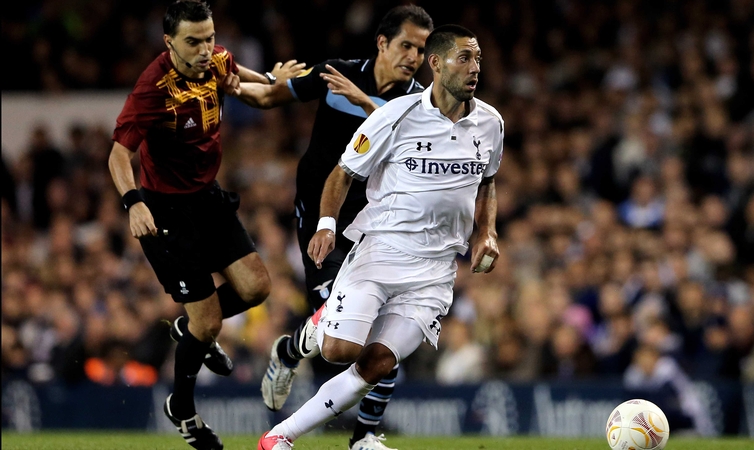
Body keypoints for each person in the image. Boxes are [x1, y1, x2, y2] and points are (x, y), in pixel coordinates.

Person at [256, 24, 503, 450]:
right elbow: (343, 172)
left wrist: (487, 233)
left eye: (478, 58)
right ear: (437, 63)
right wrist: (327, 226)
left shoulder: (491, 123)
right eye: (465, 57)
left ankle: (281, 437)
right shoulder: (396, 114)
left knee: (378, 364)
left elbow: (488, 183)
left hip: (435, 273)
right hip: (381, 251)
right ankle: (316, 330)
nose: (474, 67)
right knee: (339, 351)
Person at [107, 1, 304, 449]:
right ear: (169, 42)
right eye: (192, 41)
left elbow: (245, 78)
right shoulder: (153, 89)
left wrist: (275, 81)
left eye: (209, 37)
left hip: (208, 200)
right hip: (165, 213)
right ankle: (183, 408)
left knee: (256, 287)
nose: (204, 48)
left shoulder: (217, 60)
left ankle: (190, 329)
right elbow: (119, 154)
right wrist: (132, 202)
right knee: (210, 322)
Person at [234, 6, 433, 449]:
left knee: (384, 336)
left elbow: (408, 137)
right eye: (406, 45)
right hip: (321, 213)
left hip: (376, 225)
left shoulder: (422, 102)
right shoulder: (336, 73)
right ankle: (291, 352)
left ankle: (364, 437)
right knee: (338, 330)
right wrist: (230, 82)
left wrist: (366, 104)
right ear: (382, 43)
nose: (414, 56)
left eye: (420, 49)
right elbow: (268, 96)